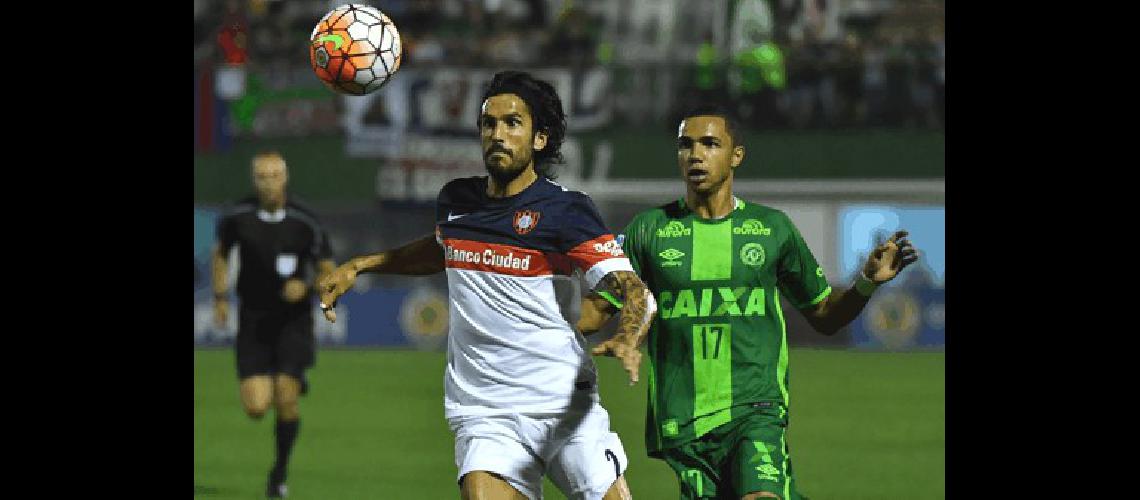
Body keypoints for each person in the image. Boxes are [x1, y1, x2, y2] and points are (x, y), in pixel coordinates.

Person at [317, 70, 654, 500]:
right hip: (485, 412)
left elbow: (632, 289)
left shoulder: (565, 210)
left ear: (539, 139)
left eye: (513, 123)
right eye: (488, 123)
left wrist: (628, 336)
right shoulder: (458, 201)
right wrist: (361, 265)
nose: (497, 133)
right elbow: (444, 249)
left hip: (562, 403)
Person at [577, 105, 919, 500]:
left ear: (736, 155)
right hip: (683, 422)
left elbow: (824, 315)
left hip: (756, 410)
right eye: (685, 146)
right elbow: (596, 310)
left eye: (710, 144)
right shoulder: (647, 230)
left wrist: (864, 283)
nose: (696, 155)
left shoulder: (772, 230)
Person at [211, 151, 336, 498]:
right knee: (255, 407)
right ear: (254, 180)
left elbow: (328, 268)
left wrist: (308, 286)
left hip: (293, 322)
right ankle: (291, 382)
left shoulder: (305, 221)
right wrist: (220, 297)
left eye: (274, 176)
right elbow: (220, 254)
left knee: (286, 398)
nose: (268, 183)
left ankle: (278, 474)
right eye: (261, 177)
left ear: (285, 178)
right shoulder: (238, 216)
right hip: (253, 319)